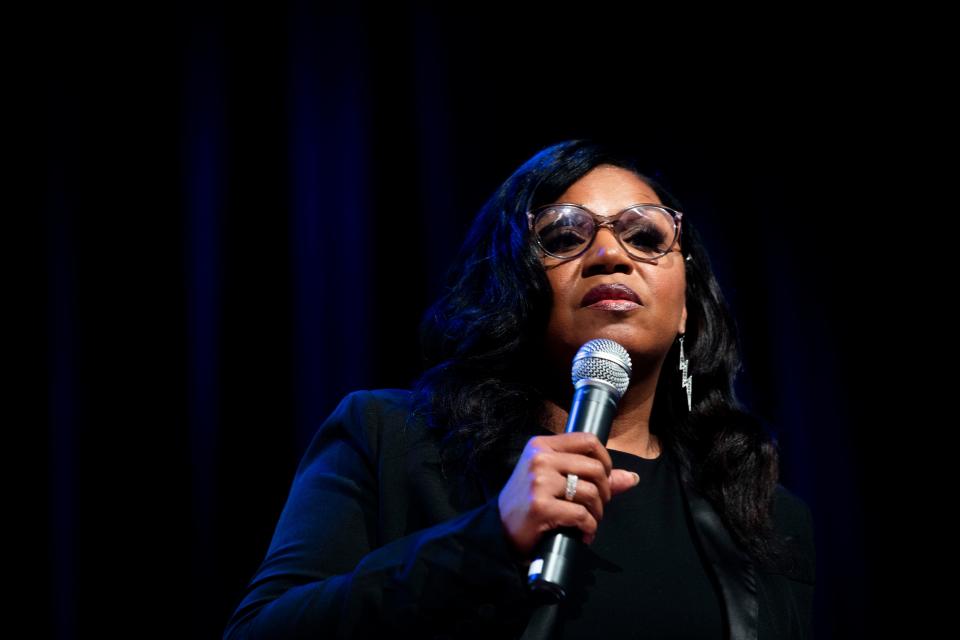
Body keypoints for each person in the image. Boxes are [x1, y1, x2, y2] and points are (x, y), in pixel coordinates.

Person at [222, 139, 816, 639]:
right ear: (514, 287)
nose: (609, 254)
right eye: (563, 237)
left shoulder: (766, 517)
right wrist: (487, 539)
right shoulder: (388, 441)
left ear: (687, 304)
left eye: (645, 235)